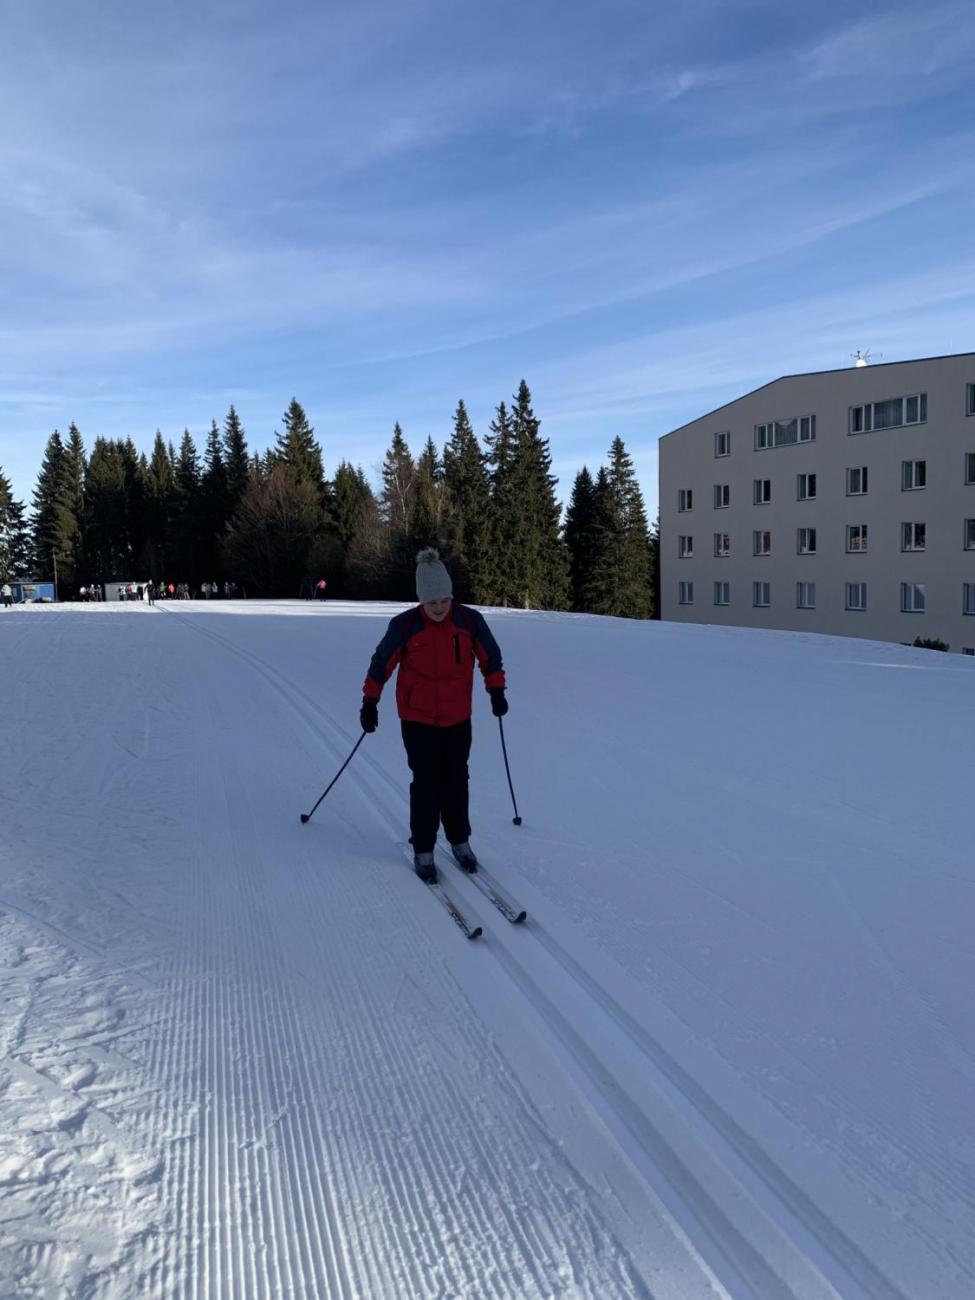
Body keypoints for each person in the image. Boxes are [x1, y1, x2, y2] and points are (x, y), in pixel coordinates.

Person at [360, 548, 508, 883]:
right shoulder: (405, 626)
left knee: (456, 779)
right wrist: (370, 701)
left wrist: (496, 690)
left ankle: (459, 839)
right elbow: (381, 664)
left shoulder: (469, 621)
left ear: (451, 596)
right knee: (426, 782)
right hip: (418, 719)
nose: (439, 607)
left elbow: (491, 656)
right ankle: (423, 847)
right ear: (420, 601)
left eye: (443, 600)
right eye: (431, 602)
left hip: (458, 717)